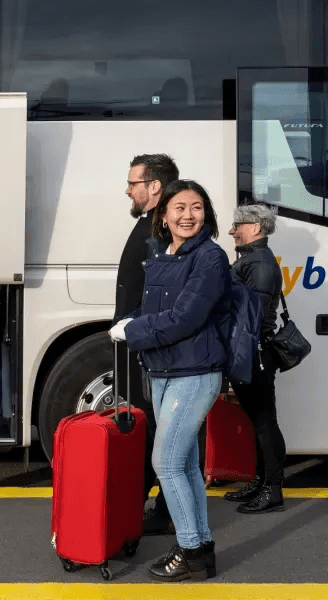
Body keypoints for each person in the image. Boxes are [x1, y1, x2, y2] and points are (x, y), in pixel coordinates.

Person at [110, 180, 231, 581]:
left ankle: (190, 550)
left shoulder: (210, 257)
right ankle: (202, 547)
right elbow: (158, 310)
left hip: (195, 372)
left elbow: (186, 318)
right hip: (164, 371)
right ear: (164, 216)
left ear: (206, 214)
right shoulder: (165, 253)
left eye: (197, 207)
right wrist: (137, 328)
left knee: (166, 463)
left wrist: (133, 331)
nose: (188, 215)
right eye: (179, 207)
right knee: (185, 465)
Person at [116, 154, 179, 536]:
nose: (128, 190)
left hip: (148, 350)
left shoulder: (158, 230)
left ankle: (162, 511)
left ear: (153, 186)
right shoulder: (151, 225)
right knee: (151, 428)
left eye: (133, 183)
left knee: (156, 430)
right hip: (141, 344)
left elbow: (160, 296)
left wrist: (134, 329)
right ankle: (147, 505)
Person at [224, 204, 286, 513]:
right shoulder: (251, 259)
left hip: (254, 353)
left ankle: (273, 491)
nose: (232, 231)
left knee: (264, 423)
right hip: (249, 351)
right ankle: (262, 483)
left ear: (256, 228)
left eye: (238, 225)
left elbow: (253, 317)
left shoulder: (259, 262)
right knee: (258, 422)